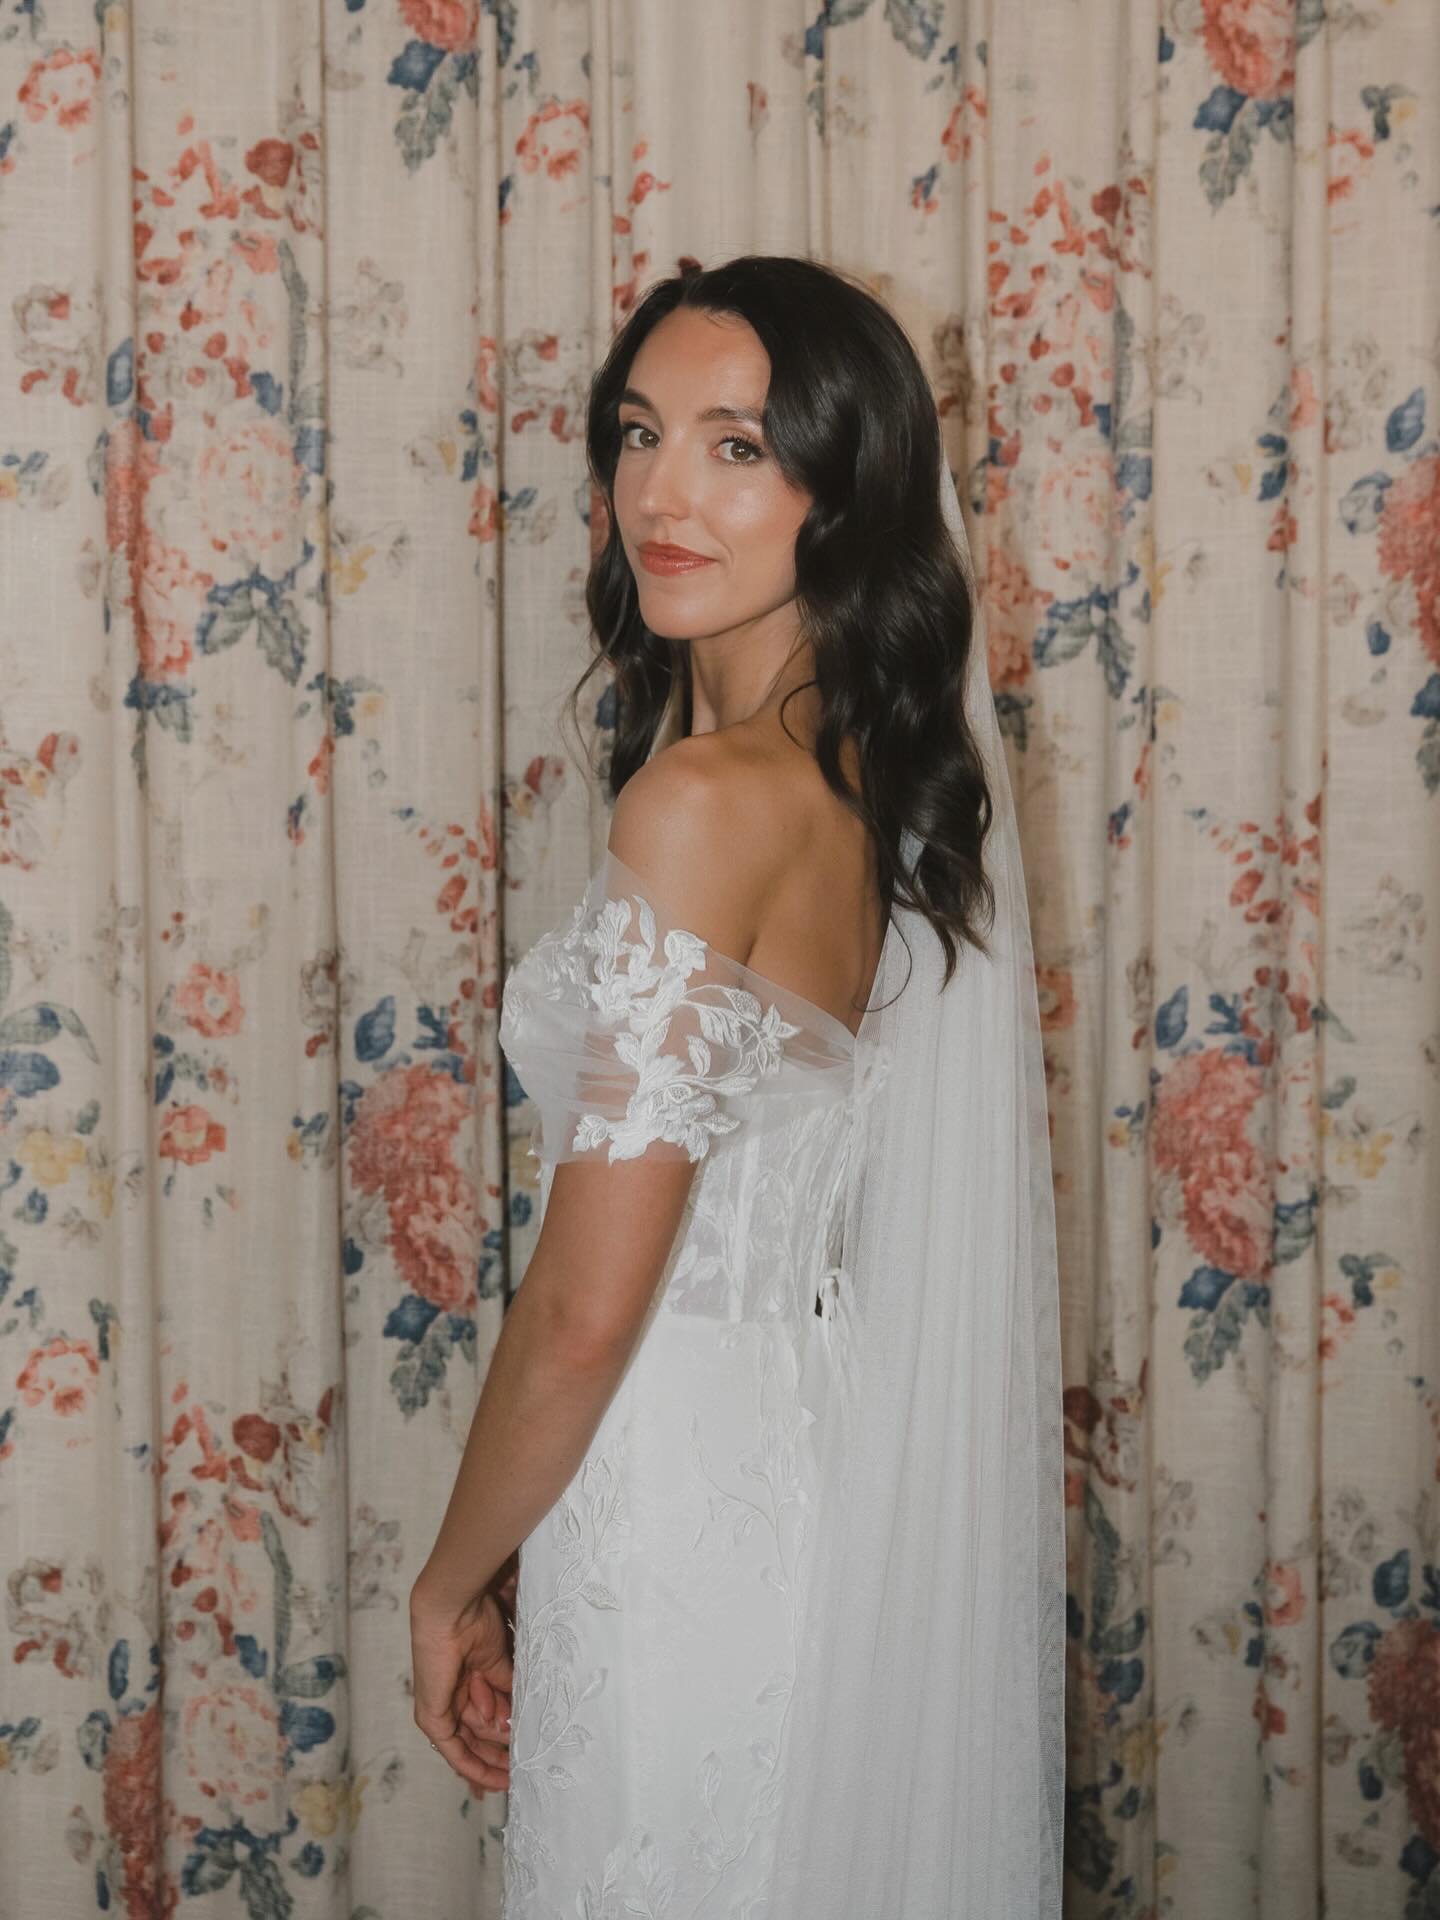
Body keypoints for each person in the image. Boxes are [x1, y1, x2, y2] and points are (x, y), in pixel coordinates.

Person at [409, 253, 1065, 1916]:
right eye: (639, 434)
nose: (661, 492)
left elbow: (586, 1304)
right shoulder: (856, 787)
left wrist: (450, 1578)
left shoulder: (707, 803)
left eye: (738, 447)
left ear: (840, 495)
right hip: (800, 1458)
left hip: (673, 1483)